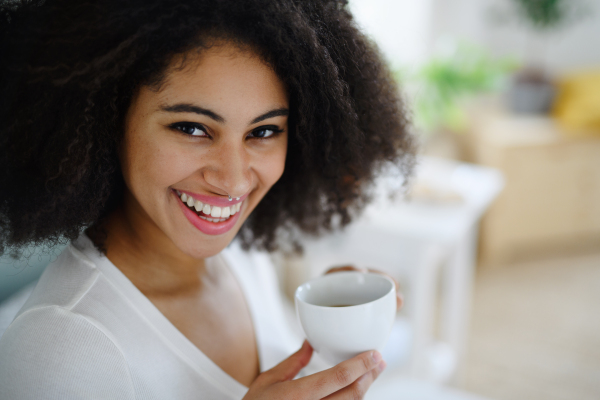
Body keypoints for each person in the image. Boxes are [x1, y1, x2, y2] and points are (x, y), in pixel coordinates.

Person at [0, 0, 414, 398]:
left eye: (264, 131)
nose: (233, 181)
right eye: (192, 128)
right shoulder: (58, 351)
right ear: (108, 119)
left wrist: (327, 334)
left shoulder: (241, 254)